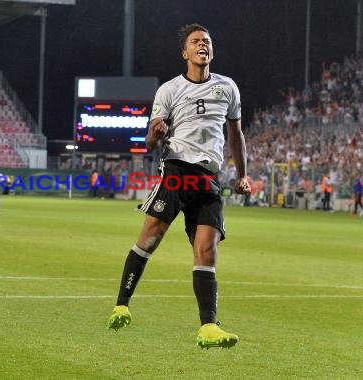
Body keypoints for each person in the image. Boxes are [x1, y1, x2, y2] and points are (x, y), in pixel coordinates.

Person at [107, 24, 250, 349]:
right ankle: (121, 304)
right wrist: (154, 137)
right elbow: (151, 140)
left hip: (209, 179)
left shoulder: (227, 88)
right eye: (196, 41)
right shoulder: (169, 91)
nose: (203, 45)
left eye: (207, 42)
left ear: (211, 51)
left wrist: (243, 174)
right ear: (185, 53)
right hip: (177, 170)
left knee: (206, 250)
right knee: (151, 237)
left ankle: (208, 327)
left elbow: (235, 135)